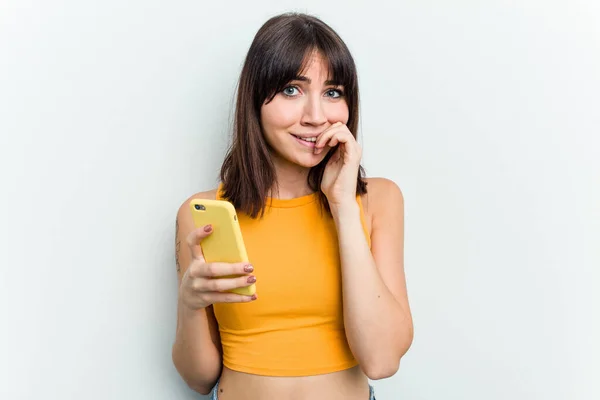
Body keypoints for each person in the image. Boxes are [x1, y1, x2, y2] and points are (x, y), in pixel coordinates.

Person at [172, 12, 413, 400]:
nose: (316, 117)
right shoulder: (205, 212)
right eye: (291, 90)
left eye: (333, 92)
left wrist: (342, 205)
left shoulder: (377, 201)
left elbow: (382, 361)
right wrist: (190, 304)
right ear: (256, 101)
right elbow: (199, 378)